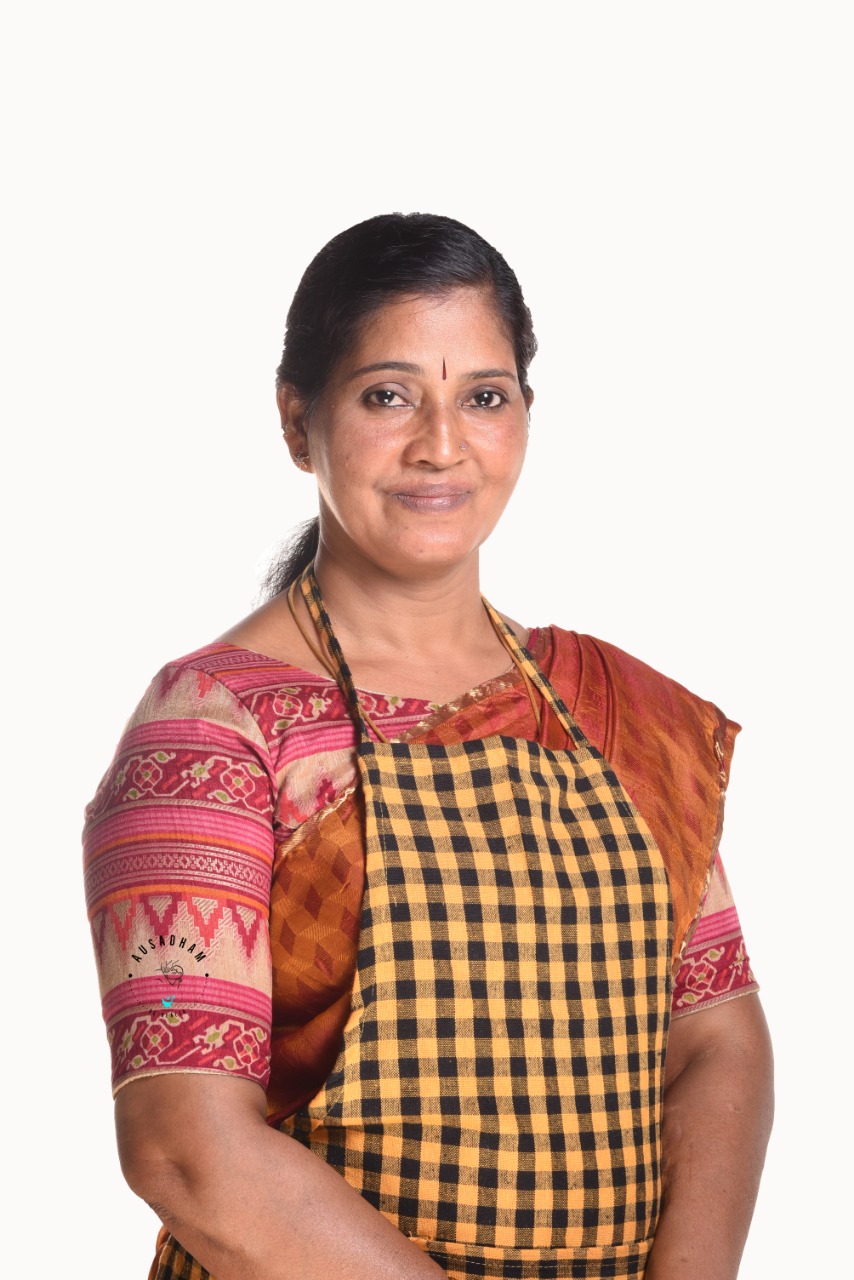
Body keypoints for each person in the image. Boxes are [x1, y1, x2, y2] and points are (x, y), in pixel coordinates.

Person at [83, 213, 773, 1280]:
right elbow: (187, 1149)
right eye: (387, 396)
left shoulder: (614, 715)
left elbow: (716, 1039)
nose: (440, 445)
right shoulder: (215, 732)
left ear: (526, 414)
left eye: (483, 397)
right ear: (296, 419)